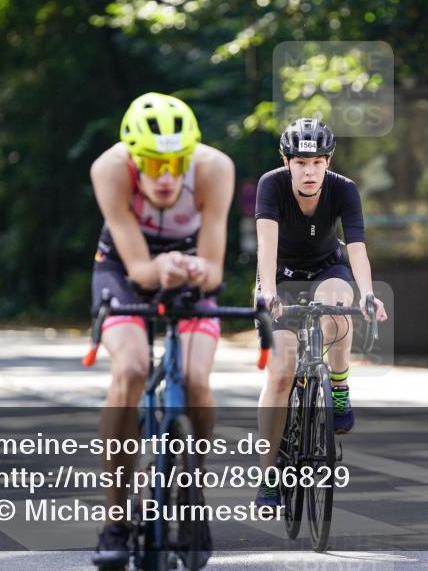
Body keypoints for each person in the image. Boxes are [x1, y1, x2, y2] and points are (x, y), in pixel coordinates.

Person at [88, 92, 234, 567]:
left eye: (176, 163)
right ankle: (115, 519)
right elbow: (138, 267)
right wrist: (162, 268)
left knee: (195, 381)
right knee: (130, 371)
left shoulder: (215, 169)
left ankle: (192, 490)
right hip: (123, 269)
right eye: (153, 165)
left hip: (188, 269)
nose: (167, 176)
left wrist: (192, 269)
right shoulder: (108, 169)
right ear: (134, 158)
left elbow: (214, 270)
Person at [252, 118, 388, 509]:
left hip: (330, 267)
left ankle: (339, 387)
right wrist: (268, 294)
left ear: (328, 161)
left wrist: (367, 295)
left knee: (337, 308)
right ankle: (268, 476)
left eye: (317, 162)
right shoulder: (271, 185)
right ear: (287, 161)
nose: (309, 171)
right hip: (281, 274)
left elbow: (357, 246)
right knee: (280, 372)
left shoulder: (345, 190)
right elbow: (266, 246)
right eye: (300, 162)